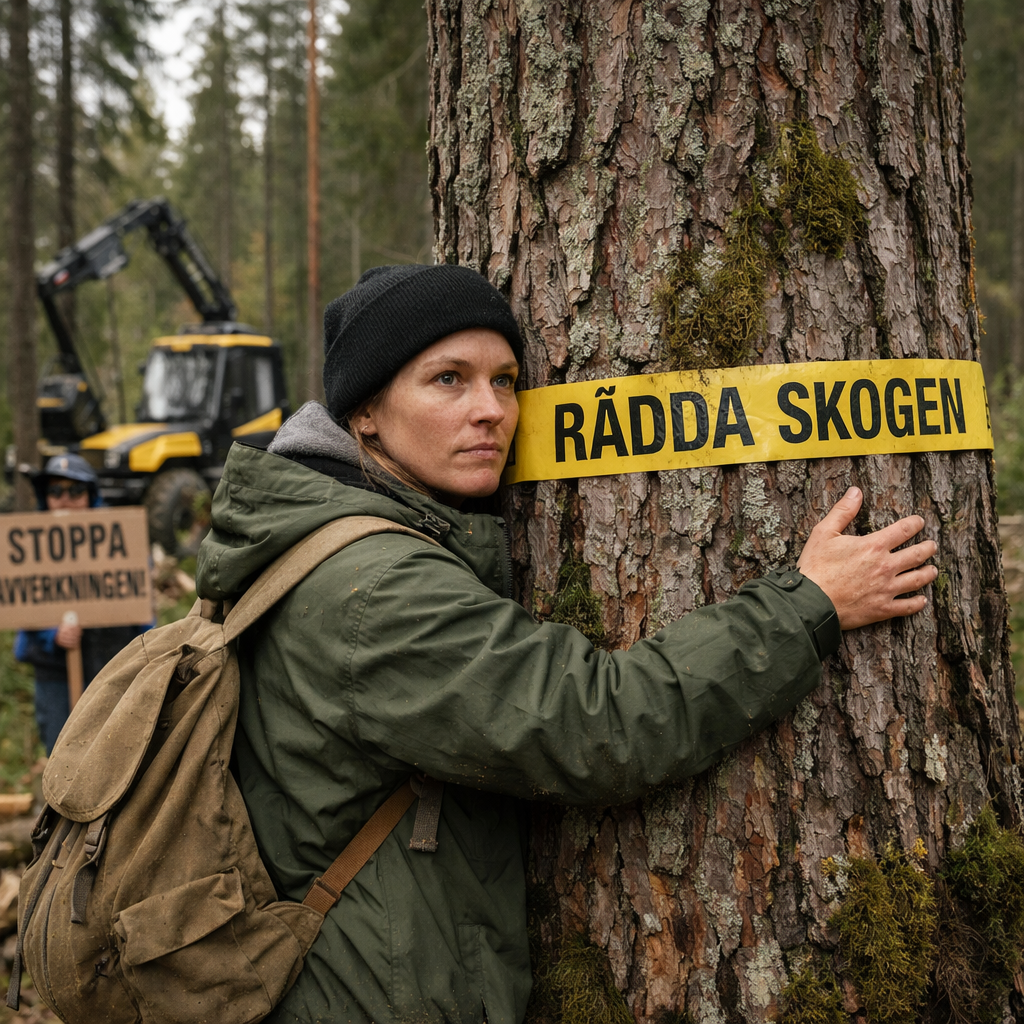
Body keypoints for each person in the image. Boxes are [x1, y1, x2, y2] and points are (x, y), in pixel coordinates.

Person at [194, 264, 937, 1024]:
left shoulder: (324, 539)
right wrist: (806, 606)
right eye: (448, 380)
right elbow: (599, 726)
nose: (491, 411)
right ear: (367, 414)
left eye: (506, 380)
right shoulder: (376, 589)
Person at [14, 454, 149, 753]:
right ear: (44, 497)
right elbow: (23, 604)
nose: (65, 500)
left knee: (114, 753)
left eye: (75, 491)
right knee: (63, 751)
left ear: (91, 495)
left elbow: (141, 608)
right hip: (55, 672)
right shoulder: (29, 544)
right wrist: (53, 633)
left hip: (113, 666)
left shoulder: (121, 538)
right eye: (55, 491)